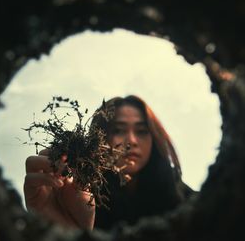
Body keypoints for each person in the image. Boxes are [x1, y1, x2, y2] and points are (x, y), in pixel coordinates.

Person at [24, 95, 195, 230]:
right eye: (119, 130)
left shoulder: (192, 204)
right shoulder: (77, 204)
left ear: (154, 139)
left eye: (142, 131)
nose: (132, 141)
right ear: (99, 138)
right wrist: (67, 234)